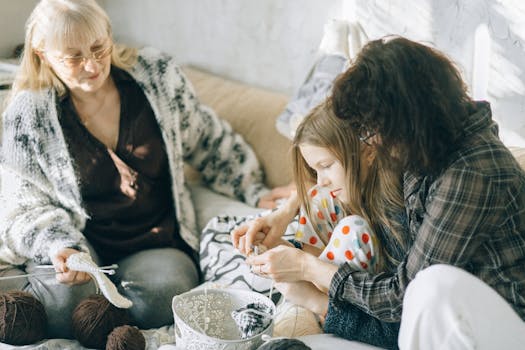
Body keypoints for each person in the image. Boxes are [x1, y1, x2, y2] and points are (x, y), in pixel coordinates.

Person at [0, 0, 286, 342]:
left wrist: (253, 187)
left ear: (109, 36)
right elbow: (22, 204)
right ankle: (98, 315)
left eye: (98, 48)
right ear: (43, 54)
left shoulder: (156, 75)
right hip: (82, 244)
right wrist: (61, 246)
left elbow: (206, 136)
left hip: (154, 238)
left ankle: (101, 317)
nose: (91, 66)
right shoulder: (28, 114)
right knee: (62, 309)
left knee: (169, 292)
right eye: (73, 57)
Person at [234, 36, 525, 349]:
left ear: (406, 119)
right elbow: (332, 149)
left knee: (432, 285)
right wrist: (287, 211)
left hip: (498, 328)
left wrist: (309, 270)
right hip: (436, 320)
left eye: (372, 129)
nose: (370, 141)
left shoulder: (470, 173)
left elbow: (405, 299)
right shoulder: (427, 147)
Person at [233, 102, 409, 349]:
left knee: (352, 229)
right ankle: (304, 281)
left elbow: (399, 327)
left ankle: (315, 300)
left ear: (369, 151)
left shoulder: (397, 210)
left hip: (363, 310)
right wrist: (282, 225)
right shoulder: (341, 189)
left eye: (326, 166)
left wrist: (313, 298)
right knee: (317, 197)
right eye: (315, 170)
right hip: (331, 279)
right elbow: (314, 187)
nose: (321, 179)